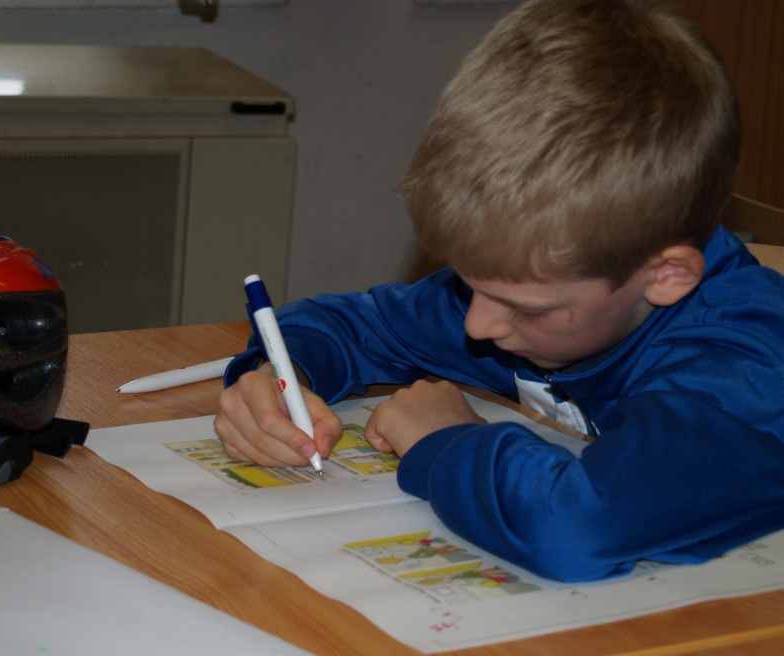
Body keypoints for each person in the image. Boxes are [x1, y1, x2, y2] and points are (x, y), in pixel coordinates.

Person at [214, 0, 784, 582]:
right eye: (468, 282)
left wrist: (446, 439)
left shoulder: (744, 369)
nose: (477, 326)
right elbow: (354, 325)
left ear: (665, 276)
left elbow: (577, 526)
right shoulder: (531, 296)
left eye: (522, 307)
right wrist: (280, 376)